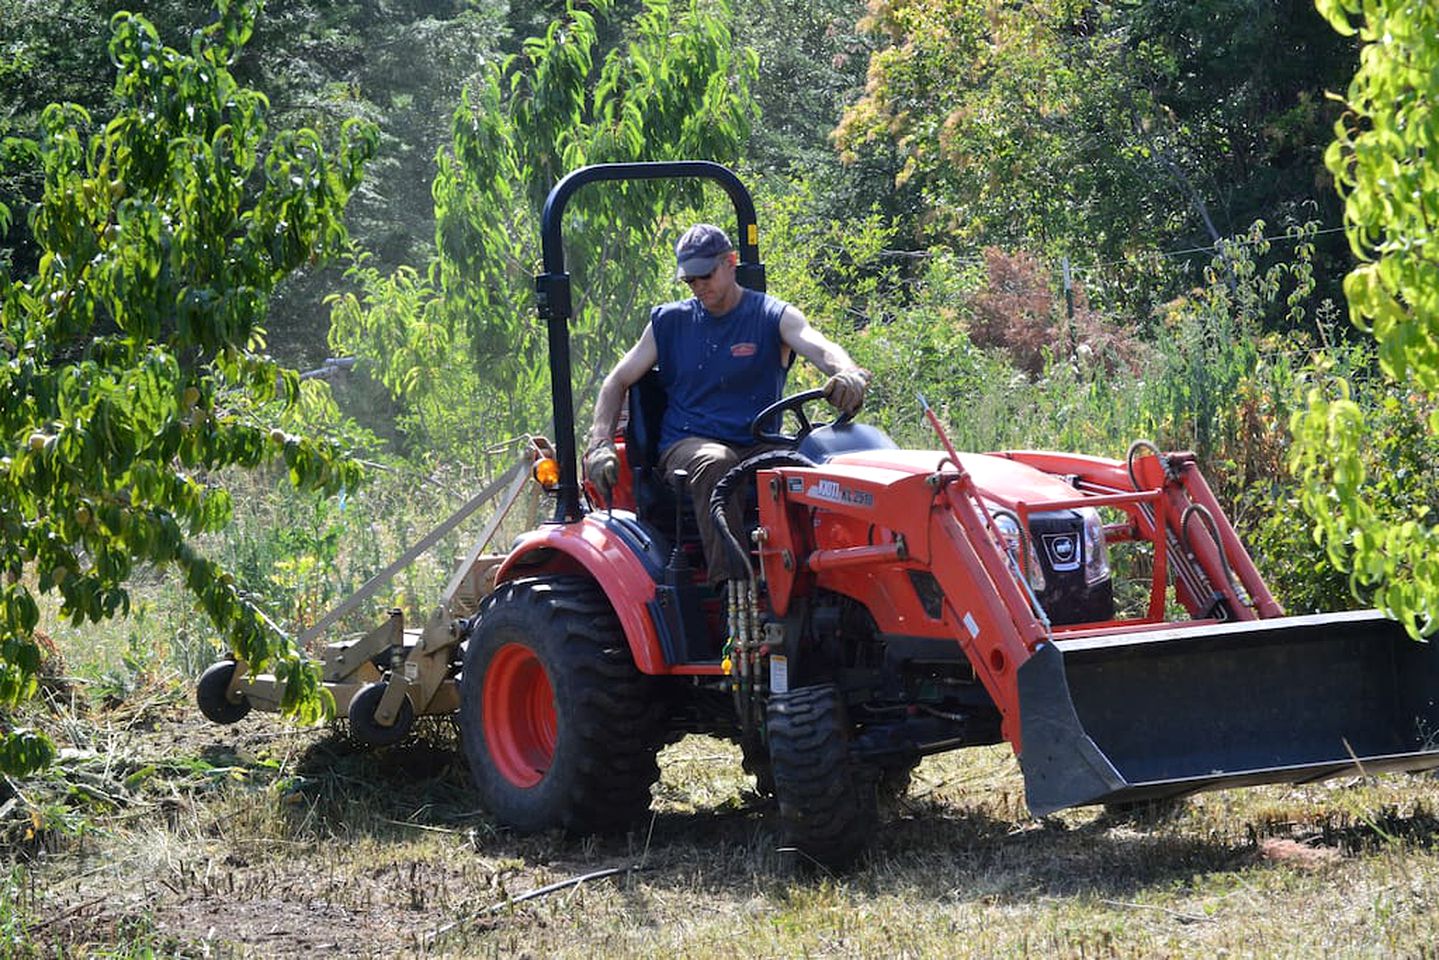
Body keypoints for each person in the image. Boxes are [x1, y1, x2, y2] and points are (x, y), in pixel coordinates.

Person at [583, 223, 868, 584]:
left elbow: (818, 345)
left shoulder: (771, 315)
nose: (699, 287)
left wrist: (847, 372)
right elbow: (617, 381)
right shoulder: (669, 323)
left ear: (731, 262)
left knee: (819, 460)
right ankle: (734, 591)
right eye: (691, 281)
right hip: (689, 444)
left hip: (758, 443)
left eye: (706, 276)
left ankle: (827, 580)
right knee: (718, 463)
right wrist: (600, 443)